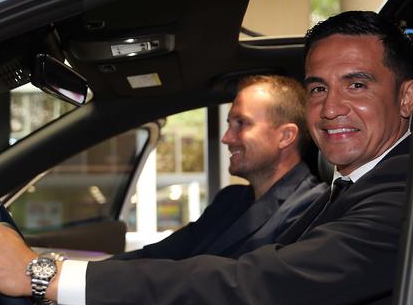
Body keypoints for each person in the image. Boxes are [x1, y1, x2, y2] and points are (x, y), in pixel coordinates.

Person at [0, 10, 413, 305]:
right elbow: (175, 259)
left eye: (356, 84)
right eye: (317, 88)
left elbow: (256, 288)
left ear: (406, 97)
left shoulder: (407, 195)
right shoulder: (351, 186)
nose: (331, 107)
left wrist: (42, 273)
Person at [115, 75, 326, 261]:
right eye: (229, 124)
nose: (226, 138)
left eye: (241, 123)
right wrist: (91, 274)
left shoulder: (312, 208)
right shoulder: (230, 199)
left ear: (285, 136)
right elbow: (162, 254)